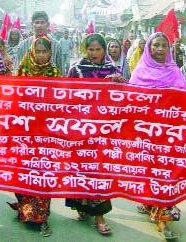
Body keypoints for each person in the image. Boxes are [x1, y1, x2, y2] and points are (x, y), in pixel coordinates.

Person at [129, 32, 186, 240]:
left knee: (167, 174)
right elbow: (131, 103)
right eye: (156, 45)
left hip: (169, 134)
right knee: (149, 172)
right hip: (146, 135)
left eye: (164, 45)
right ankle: (149, 202)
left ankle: (163, 219)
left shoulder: (175, 71)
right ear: (148, 48)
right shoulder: (139, 72)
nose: (160, 49)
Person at [67, 33, 123, 236]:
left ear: (104, 50)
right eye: (91, 49)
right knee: (81, 168)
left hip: (103, 130)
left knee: (99, 171)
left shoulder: (112, 69)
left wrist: (119, 83)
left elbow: (121, 99)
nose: (95, 53)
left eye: (98, 49)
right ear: (85, 49)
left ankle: (99, 216)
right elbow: (67, 96)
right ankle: (82, 207)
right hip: (81, 128)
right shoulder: (76, 69)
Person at [7, 36, 60, 237]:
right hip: (24, 130)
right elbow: (15, 98)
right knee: (23, 171)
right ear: (32, 51)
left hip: (45, 131)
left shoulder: (53, 71)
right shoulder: (23, 70)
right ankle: (25, 209)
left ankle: (42, 217)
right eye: (37, 51)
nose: (40, 55)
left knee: (43, 174)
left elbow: (60, 99)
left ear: (50, 52)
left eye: (44, 51)